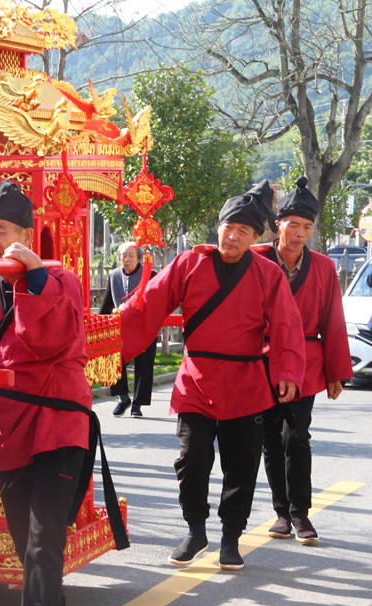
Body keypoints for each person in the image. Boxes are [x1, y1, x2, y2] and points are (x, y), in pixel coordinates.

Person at [0, 176, 129, 606]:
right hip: (9, 426)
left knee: (43, 538)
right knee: (25, 539)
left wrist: (33, 279)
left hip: (59, 424)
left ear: (27, 232)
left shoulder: (60, 280)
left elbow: (53, 336)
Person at [119, 181, 305, 571]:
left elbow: (287, 326)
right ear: (217, 227)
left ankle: (231, 537)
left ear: (256, 238)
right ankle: (195, 529)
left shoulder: (268, 274)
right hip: (196, 378)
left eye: (243, 231)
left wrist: (288, 370)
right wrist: (112, 335)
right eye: (227, 227)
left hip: (245, 381)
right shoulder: (190, 262)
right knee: (191, 459)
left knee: (241, 463)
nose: (232, 236)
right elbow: (149, 303)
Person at [255, 177, 352, 543]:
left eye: (307, 227)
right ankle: (281, 512)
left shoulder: (325, 268)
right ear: (277, 224)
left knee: (297, 435)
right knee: (269, 436)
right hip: (264, 358)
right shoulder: (256, 259)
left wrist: (336, 371)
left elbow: (334, 321)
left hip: (308, 361)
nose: (299, 233)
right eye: (293, 224)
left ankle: (301, 515)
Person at [99, 242, 157, 417]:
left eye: (131, 255)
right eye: (124, 255)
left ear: (138, 257)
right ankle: (123, 398)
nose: (127, 259)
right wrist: (100, 324)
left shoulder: (150, 274)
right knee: (113, 359)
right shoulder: (114, 275)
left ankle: (137, 404)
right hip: (120, 328)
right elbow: (107, 303)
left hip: (143, 328)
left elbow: (156, 302)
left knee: (144, 365)